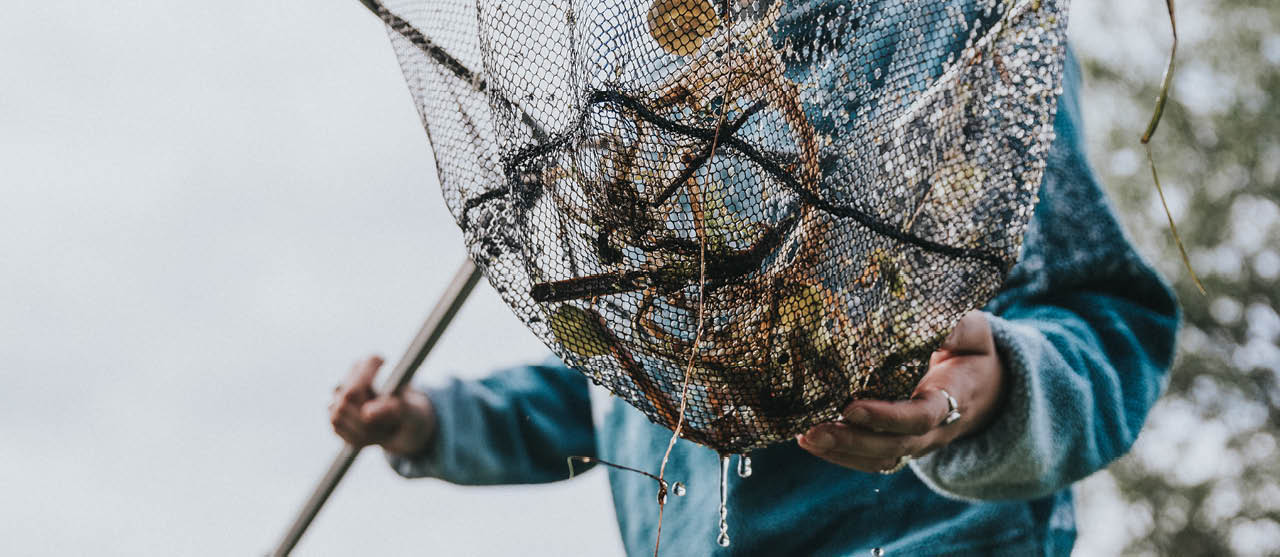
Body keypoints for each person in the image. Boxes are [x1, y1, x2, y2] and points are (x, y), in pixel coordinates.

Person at [327, 10, 1179, 556]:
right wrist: (435, 423)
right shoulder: (641, 103)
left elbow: (1107, 327)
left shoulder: (958, 29)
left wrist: (986, 396)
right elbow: (636, 391)